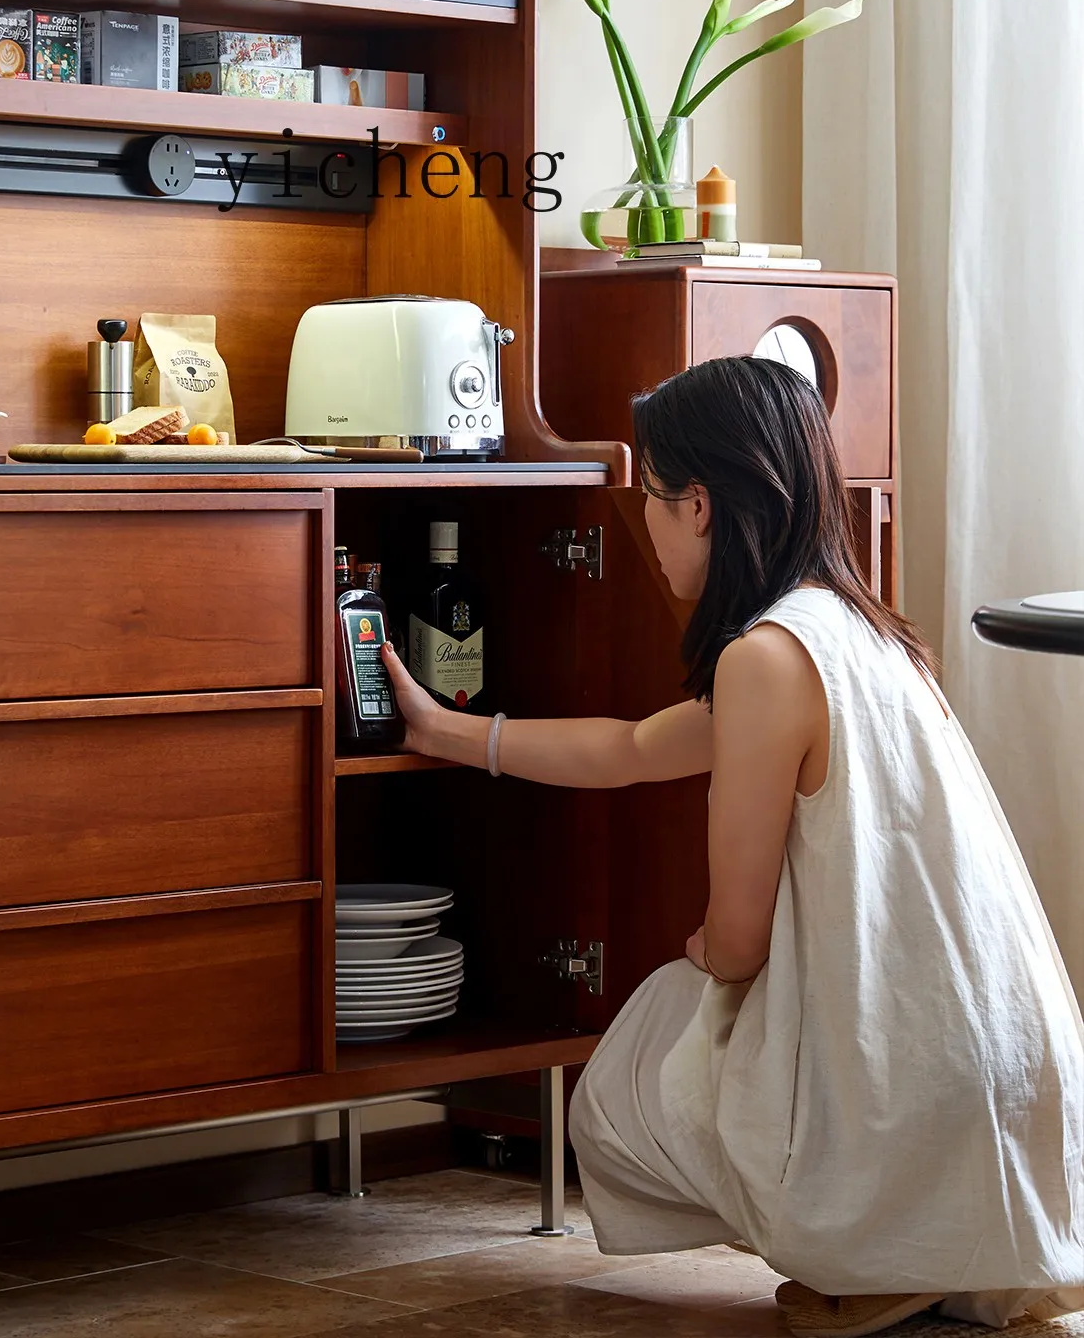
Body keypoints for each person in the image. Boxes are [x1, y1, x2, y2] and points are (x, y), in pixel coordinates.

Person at [381, 356, 1084, 1338]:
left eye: (651, 501)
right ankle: (924, 1248)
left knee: (642, 1057)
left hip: (914, 1097)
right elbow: (631, 748)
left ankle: (874, 1251)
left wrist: (706, 960)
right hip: (1026, 1088)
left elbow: (739, 938)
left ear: (699, 505)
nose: (647, 529)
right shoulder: (857, 630)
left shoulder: (764, 658)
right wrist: (442, 729)